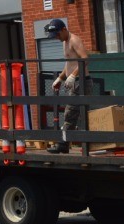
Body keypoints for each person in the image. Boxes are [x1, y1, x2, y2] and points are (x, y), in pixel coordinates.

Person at [45, 18, 89, 154]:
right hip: (76, 82)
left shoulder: (74, 40)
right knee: (78, 115)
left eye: (58, 34)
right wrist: (60, 77)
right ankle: (68, 144)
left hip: (81, 82)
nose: (57, 38)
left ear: (64, 29)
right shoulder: (64, 42)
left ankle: (63, 145)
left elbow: (85, 59)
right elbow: (69, 64)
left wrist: (73, 75)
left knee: (70, 114)